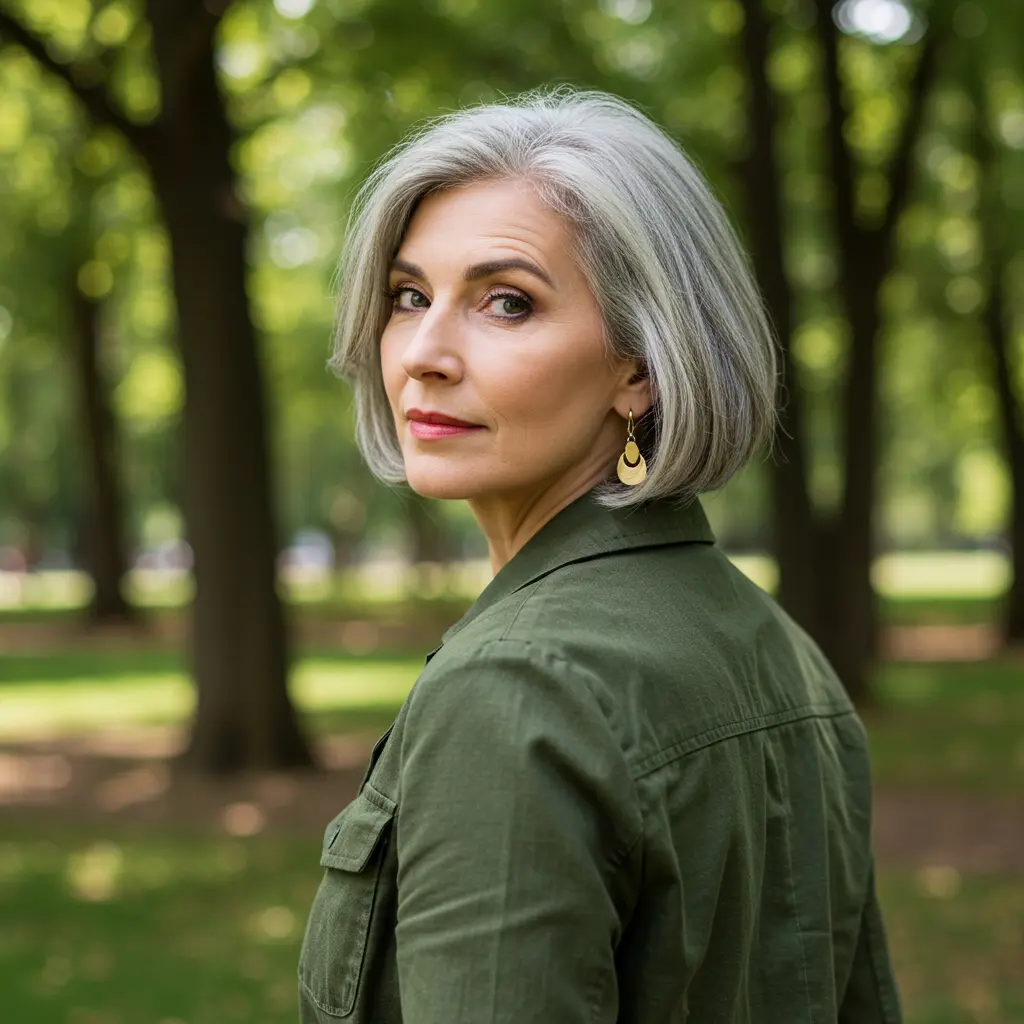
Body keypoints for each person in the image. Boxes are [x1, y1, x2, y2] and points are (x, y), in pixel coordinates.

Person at [297, 87, 901, 1023]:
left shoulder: (512, 691)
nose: (424, 352)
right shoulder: (784, 652)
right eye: (410, 296)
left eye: (506, 303)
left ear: (640, 368)